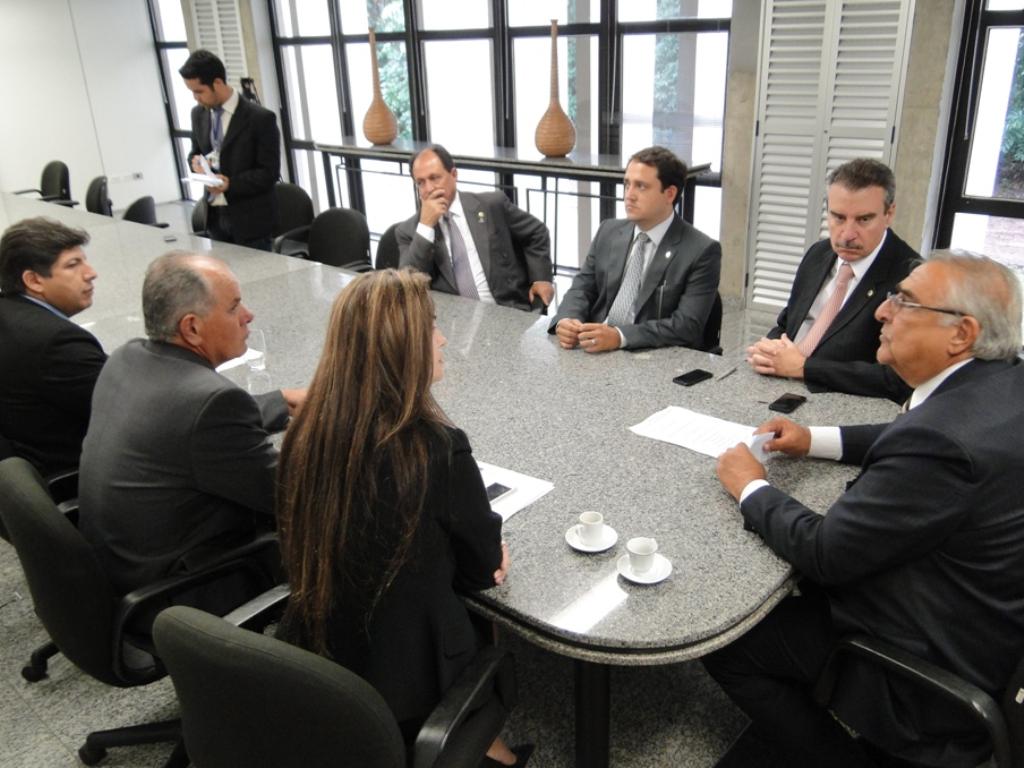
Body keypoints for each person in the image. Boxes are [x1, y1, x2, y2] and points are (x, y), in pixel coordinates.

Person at [708, 252, 1024, 767]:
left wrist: (752, 487)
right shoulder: (999, 383)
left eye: (904, 302)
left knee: (733, 643)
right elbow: (912, 436)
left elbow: (825, 552)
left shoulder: (940, 441)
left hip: (930, 665)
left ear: (961, 334)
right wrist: (815, 439)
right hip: (991, 623)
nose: (882, 311)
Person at [276, 269, 529, 767]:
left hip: (322, 660)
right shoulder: (436, 449)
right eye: (431, 326)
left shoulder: (307, 430)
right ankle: (486, 740)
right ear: (403, 348)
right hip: (413, 688)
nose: (441, 338)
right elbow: (481, 572)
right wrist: (493, 552)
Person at [79, 252, 304, 611]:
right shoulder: (210, 405)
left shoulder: (128, 357)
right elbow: (295, 494)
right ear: (192, 328)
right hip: (187, 590)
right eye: (234, 308)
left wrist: (279, 401)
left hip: (125, 566)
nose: (248, 316)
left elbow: (185, 419)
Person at [746, 158, 918, 402]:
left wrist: (805, 367)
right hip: (779, 388)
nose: (847, 235)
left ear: (889, 214)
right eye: (838, 217)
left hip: (842, 402)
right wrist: (771, 348)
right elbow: (788, 323)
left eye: (864, 220)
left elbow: (899, 379)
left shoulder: (911, 278)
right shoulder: (819, 253)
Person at [548, 145, 721, 352]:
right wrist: (567, 320)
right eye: (627, 184)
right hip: (592, 348)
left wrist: (620, 337)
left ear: (669, 194)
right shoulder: (609, 231)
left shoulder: (701, 250)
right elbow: (583, 286)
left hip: (650, 356)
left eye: (641, 186)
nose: (629, 195)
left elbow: (686, 326)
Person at [0, 217, 106, 476]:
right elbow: (131, 406)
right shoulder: (57, 342)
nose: (91, 273)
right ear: (34, 280)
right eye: (73, 265)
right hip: (77, 475)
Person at [397, 144, 554, 312]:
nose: (428, 189)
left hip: (506, 310)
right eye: (420, 183)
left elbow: (536, 232)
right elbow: (407, 287)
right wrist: (426, 225)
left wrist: (541, 278)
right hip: (454, 321)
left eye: (435, 178)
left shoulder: (491, 205)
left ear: (454, 174)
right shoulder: (409, 231)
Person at [179, 49, 280, 251]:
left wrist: (231, 184)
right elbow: (195, 152)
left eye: (199, 91)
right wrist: (196, 163)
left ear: (217, 83)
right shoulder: (198, 114)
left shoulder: (259, 118)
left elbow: (269, 174)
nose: (195, 98)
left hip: (250, 220)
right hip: (215, 216)